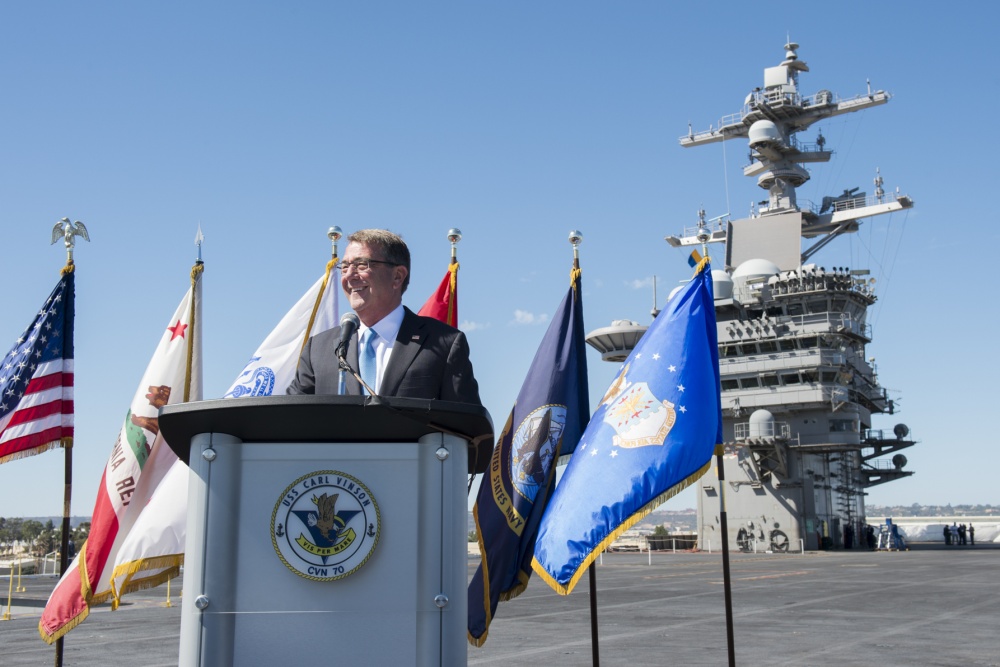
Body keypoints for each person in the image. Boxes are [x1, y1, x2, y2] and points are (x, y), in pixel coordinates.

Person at [288, 229, 481, 404]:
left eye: (362, 265)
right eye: (345, 267)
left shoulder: (443, 343)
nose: (349, 276)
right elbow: (289, 418)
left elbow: (465, 425)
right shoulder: (318, 349)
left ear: (397, 276)